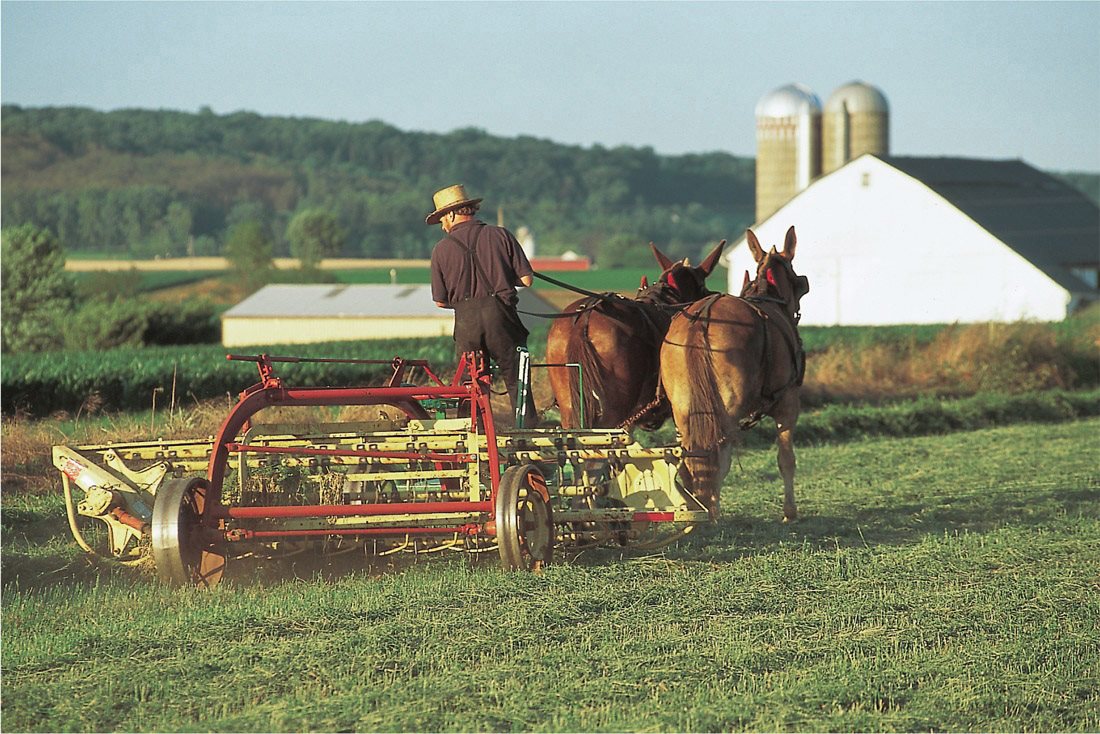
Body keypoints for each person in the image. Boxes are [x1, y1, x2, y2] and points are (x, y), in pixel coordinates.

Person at [426, 184, 538, 424]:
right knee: (516, 377)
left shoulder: (440, 250)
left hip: (467, 325)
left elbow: (440, 302)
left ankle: (472, 431)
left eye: (442, 219)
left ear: (453, 214)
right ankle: (526, 429)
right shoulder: (500, 235)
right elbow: (527, 280)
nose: (443, 226)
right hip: (501, 319)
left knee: (471, 384)